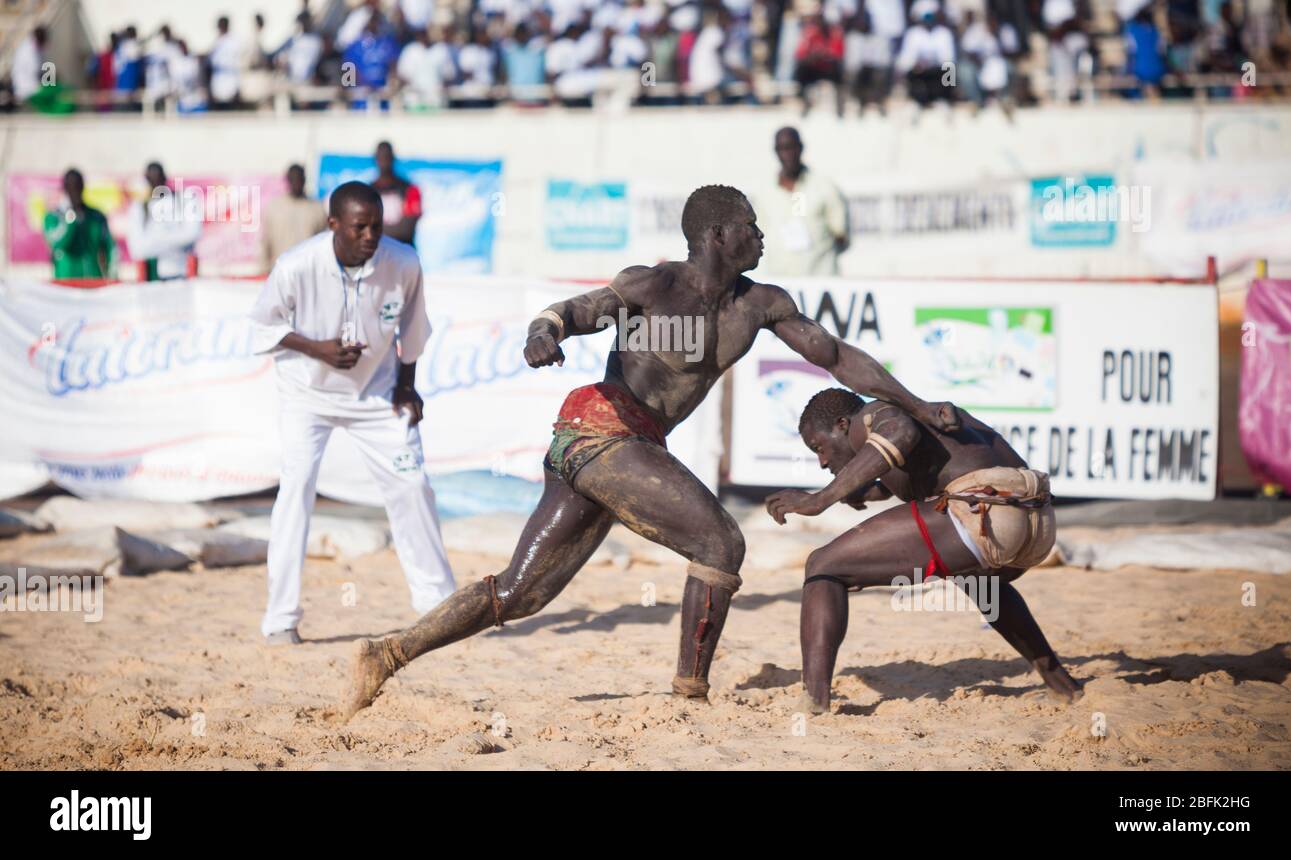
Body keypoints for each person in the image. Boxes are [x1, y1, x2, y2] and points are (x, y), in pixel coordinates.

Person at [340, 183, 961, 719]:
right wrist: (541, 334)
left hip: (619, 448)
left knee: (523, 593)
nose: (762, 234)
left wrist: (914, 402)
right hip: (601, 430)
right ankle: (690, 694)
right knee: (721, 542)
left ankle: (387, 653)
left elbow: (838, 358)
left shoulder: (761, 303)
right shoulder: (654, 283)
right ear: (718, 234)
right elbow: (571, 312)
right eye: (751, 225)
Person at [766, 387, 1082, 714]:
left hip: (985, 512)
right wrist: (861, 490)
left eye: (819, 447)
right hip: (1036, 521)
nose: (821, 461)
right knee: (980, 581)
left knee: (823, 564)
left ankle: (814, 703)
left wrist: (820, 498)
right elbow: (911, 466)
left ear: (844, 424)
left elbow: (900, 432)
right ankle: (1063, 687)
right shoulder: (921, 420)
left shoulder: (874, 414)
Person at [249, 181, 457, 644]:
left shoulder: (403, 262)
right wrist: (317, 349)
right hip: (307, 394)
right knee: (297, 487)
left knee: (412, 483)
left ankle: (438, 606)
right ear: (334, 225)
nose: (370, 236)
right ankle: (281, 619)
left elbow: (414, 330)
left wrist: (407, 388)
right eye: (359, 227)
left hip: (376, 395)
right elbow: (263, 327)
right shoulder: (297, 265)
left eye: (377, 227)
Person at [755, 127, 849, 278]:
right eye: (783, 148)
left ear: (801, 148)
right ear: (776, 152)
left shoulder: (825, 187)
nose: (788, 154)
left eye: (792, 147)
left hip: (821, 281)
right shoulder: (765, 193)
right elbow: (760, 236)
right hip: (782, 283)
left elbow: (842, 236)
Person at [127, 161, 204, 280]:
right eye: (151, 177)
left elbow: (193, 234)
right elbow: (137, 249)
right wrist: (175, 241)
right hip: (151, 280)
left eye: (157, 176)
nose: (155, 180)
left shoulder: (184, 200)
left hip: (183, 277)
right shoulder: (139, 207)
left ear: (164, 176)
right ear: (146, 179)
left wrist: (155, 241)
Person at [43, 169, 114, 280]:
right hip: (66, 282)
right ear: (65, 189)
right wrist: (71, 217)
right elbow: (58, 244)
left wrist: (111, 275)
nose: (74, 191)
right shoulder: (53, 217)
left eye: (77, 186)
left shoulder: (96, 217)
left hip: (93, 281)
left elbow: (109, 248)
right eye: (70, 187)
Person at [257, 164, 326, 274]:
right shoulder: (274, 207)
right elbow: (265, 240)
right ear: (288, 180)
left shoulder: (316, 208)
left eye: (299, 178)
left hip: (307, 272)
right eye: (293, 179)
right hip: (279, 271)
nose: (297, 182)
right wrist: (263, 268)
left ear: (304, 179)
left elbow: (323, 242)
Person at [371, 141, 422, 244]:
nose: (384, 161)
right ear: (375, 159)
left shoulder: (410, 189)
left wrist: (375, 230)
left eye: (387, 156)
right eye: (381, 157)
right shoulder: (368, 192)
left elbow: (407, 230)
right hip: (376, 254)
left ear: (393, 158)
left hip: (403, 252)